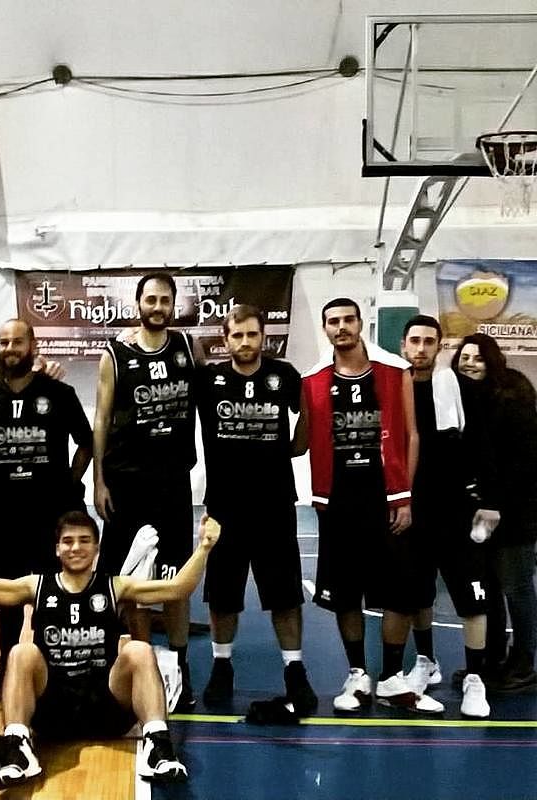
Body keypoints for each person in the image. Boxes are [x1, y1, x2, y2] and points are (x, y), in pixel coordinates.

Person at [0, 508, 221, 790]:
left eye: (84, 540)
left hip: (107, 708)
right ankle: (17, 750)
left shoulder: (115, 586)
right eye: (68, 541)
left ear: (96, 548)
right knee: (21, 653)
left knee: (139, 651)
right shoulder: (37, 586)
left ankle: (158, 748)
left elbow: (178, 588)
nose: (76, 548)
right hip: (52, 711)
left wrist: (204, 547)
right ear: (57, 549)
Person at [303, 298, 442, 714]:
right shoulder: (313, 379)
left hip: (385, 497)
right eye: (333, 321)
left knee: (399, 591)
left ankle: (391, 676)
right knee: (346, 593)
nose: (341, 327)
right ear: (325, 329)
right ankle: (358, 673)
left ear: (361, 323)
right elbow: (305, 438)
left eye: (348, 319)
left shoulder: (394, 371)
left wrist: (404, 496)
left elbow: (412, 435)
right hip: (338, 499)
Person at [196, 304, 316, 713]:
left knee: (285, 595)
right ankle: (221, 666)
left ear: (264, 337)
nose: (245, 342)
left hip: (274, 503)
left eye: (252, 334)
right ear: (225, 339)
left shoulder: (284, 375)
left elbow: (308, 416)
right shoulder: (209, 379)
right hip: (225, 506)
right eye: (237, 335)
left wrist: (296, 445)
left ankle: (295, 671)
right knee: (222, 595)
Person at [92, 272, 198, 709]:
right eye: (150, 299)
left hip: (172, 483)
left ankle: (180, 667)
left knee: (174, 582)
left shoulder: (188, 348)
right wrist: (98, 479)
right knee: (120, 580)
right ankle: (129, 665)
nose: (157, 306)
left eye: (165, 300)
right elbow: (101, 418)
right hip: (126, 482)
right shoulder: (115, 354)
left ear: (174, 305)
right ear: (137, 303)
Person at [0, 319, 93, 694]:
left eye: (17, 342)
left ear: (33, 346)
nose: (10, 349)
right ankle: (7, 668)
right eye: (3, 342)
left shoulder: (58, 392)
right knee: (7, 597)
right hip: (5, 516)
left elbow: (87, 441)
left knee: (49, 596)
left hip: (48, 515)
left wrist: (70, 482)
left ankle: (46, 667)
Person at [398, 316, 491, 717]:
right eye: (415, 341)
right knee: (418, 595)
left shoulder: (464, 389)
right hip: (413, 510)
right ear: (404, 346)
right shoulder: (395, 388)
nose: (421, 348)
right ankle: (426, 661)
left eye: (429, 342)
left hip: (457, 512)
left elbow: (485, 448)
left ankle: (475, 678)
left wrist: (487, 500)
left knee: (472, 599)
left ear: (439, 347)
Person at [452, 333, 537, 693]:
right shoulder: (462, 397)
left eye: (478, 358)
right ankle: (491, 657)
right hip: (479, 512)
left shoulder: (513, 395)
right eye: (465, 357)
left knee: (517, 587)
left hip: (515, 512)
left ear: (492, 361)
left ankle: (524, 663)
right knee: (489, 587)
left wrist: (496, 503)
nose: (470, 363)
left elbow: (523, 460)